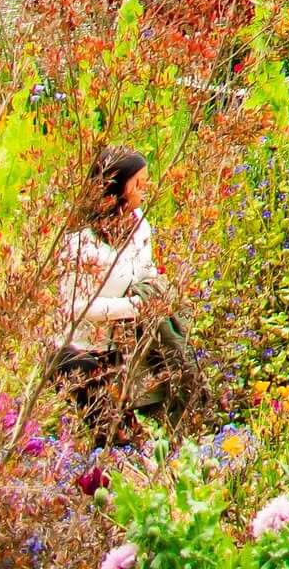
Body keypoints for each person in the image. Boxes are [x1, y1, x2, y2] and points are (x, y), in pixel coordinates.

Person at [56, 149, 193, 435]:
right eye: (138, 184)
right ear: (116, 189)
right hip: (82, 352)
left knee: (173, 383)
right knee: (117, 435)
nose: (146, 190)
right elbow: (75, 307)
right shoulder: (79, 242)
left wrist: (158, 295)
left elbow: (146, 273)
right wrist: (132, 307)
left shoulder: (140, 225)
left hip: (126, 346)